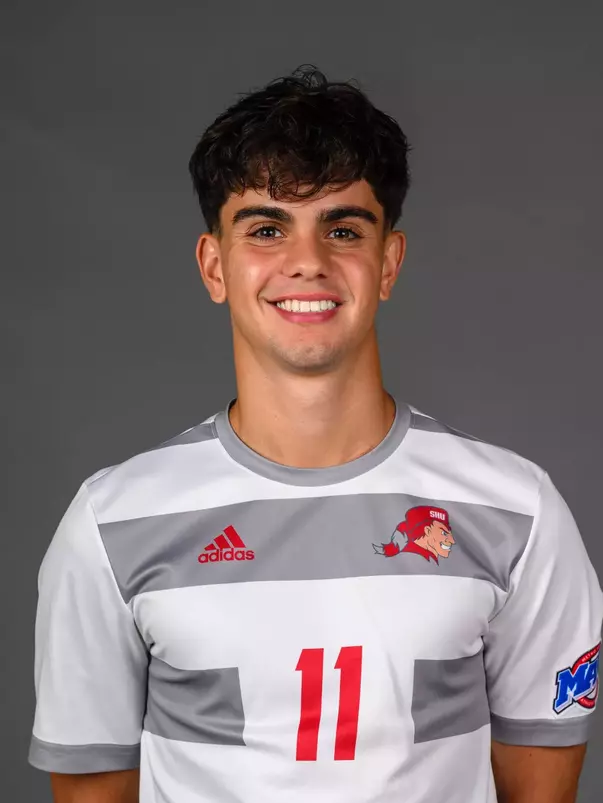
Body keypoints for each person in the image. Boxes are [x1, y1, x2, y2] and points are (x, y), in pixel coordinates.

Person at [29, 66, 602, 803]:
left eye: (342, 228)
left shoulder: (517, 510)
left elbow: (538, 787)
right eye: (266, 228)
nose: (307, 261)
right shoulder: (110, 523)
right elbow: (92, 790)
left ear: (387, 262)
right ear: (214, 266)